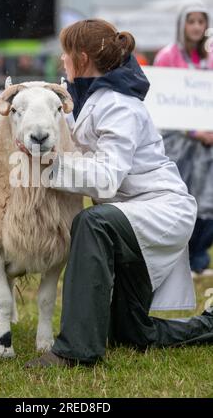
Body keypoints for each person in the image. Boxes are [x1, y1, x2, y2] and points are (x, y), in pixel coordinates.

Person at [25, 19, 213, 368]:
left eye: (65, 54)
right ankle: (210, 324)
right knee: (132, 334)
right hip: (132, 216)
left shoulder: (119, 105)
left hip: (160, 212)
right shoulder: (93, 100)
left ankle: (76, 351)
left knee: (93, 223)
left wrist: (47, 168)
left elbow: (108, 177)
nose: (62, 61)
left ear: (80, 58)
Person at [154, 0, 213, 278]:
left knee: (207, 200)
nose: (197, 27)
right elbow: (163, 101)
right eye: (192, 21)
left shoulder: (210, 57)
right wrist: (193, 131)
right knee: (181, 198)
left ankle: (199, 259)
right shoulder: (167, 56)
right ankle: (178, 260)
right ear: (182, 25)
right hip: (179, 143)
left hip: (208, 145)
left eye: (202, 21)